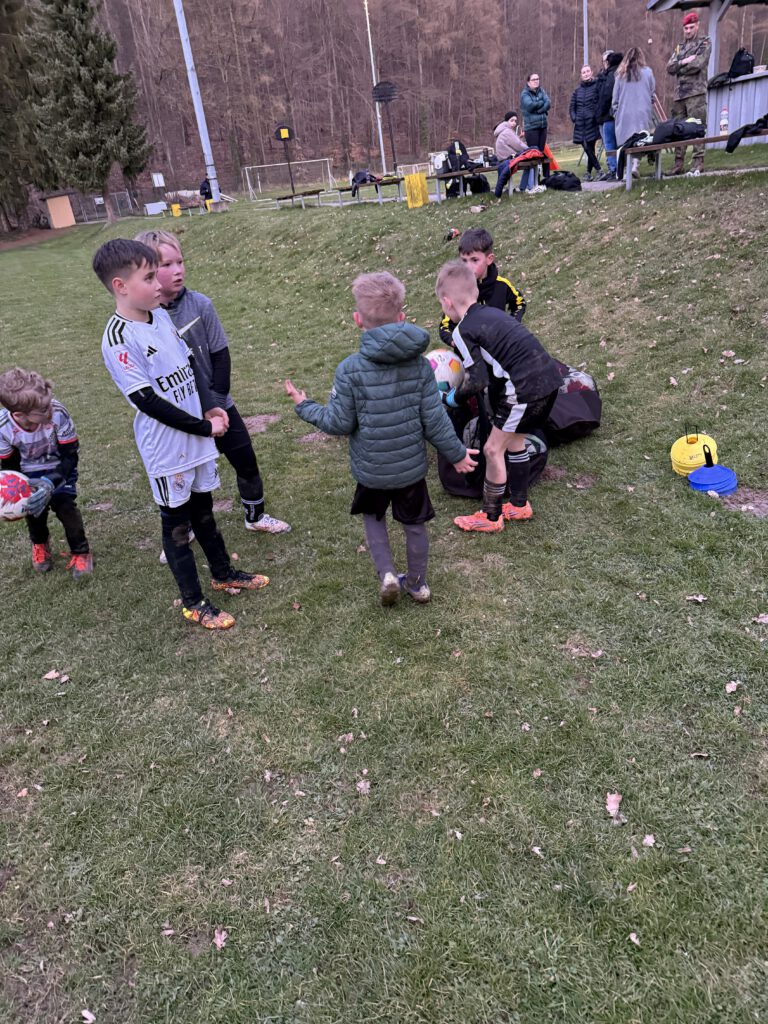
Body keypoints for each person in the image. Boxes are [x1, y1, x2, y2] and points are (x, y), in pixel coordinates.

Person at [93, 238, 270, 630]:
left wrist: (210, 406)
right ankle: (193, 602)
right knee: (176, 526)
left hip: (196, 438)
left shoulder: (159, 316)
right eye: (149, 277)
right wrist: (205, 427)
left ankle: (223, 573)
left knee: (204, 510)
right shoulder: (119, 339)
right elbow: (147, 401)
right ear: (121, 286)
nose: (159, 284)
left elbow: (189, 365)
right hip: (167, 450)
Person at [284, 271, 477, 607]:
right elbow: (435, 420)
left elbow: (338, 423)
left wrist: (305, 406)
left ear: (357, 319)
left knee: (374, 519)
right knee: (415, 524)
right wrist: (457, 453)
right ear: (401, 317)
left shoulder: (349, 370)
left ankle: (387, 574)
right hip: (410, 471)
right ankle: (417, 584)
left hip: (371, 471)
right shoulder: (420, 367)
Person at [135, 230, 290, 547]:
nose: (178, 270)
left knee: (245, 460)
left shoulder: (201, 305)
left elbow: (221, 355)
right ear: (145, 271)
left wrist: (216, 405)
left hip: (218, 405)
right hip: (179, 416)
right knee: (185, 477)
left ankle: (255, 517)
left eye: (180, 262)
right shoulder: (144, 322)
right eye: (167, 264)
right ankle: (187, 528)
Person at [435, 260, 562, 533]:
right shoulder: (492, 313)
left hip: (524, 390)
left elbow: (477, 379)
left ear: (447, 302)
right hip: (550, 380)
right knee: (515, 442)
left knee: (493, 449)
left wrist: (452, 399)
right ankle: (519, 504)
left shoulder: (462, 330)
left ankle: (491, 517)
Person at [0, 367, 92, 578]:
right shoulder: (3, 428)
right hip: (27, 473)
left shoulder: (58, 412)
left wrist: (52, 481)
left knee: (66, 507)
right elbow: (10, 467)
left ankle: (81, 551)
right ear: (19, 414)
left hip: (59, 467)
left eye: (48, 402)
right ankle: (40, 544)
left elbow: (70, 455)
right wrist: (13, 496)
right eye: (42, 410)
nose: (49, 409)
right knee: (34, 511)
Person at [438, 227, 525, 345]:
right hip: (474, 352)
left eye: (474, 260)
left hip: (500, 347)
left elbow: (519, 303)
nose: (468, 267)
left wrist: (512, 326)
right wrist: (457, 343)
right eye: (464, 261)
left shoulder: (501, 285)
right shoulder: (459, 290)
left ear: (489, 259)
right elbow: (445, 326)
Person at [666, 11, 711, 176]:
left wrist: (680, 66)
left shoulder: (704, 43)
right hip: (680, 95)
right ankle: (678, 164)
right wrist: (685, 61)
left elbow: (698, 64)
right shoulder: (680, 47)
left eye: (691, 27)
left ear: (697, 26)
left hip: (696, 93)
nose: (688, 31)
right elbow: (669, 67)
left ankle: (698, 162)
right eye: (686, 28)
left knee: (697, 127)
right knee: (678, 129)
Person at [612, 48, 656, 179]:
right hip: (642, 113)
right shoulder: (648, 73)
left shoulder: (620, 75)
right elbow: (652, 93)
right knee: (641, 140)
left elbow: (615, 98)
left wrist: (616, 112)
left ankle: (628, 169)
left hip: (624, 115)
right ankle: (636, 164)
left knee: (626, 142)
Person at [570, 65, 603, 180]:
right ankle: (598, 170)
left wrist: (595, 116)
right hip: (580, 124)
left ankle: (590, 173)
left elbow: (599, 102)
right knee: (586, 147)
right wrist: (574, 118)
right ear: (581, 75)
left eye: (588, 71)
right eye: (584, 72)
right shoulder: (577, 90)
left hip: (592, 123)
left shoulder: (597, 86)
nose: (586, 73)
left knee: (590, 147)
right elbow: (572, 107)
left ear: (591, 72)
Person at [595, 50, 623, 179]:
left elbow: (606, 96)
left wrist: (599, 112)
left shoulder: (611, 75)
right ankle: (617, 169)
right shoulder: (618, 74)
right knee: (614, 143)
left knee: (610, 143)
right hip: (614, 114)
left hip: (609, 115)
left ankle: (614, 170)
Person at [520, 72, 551, 187]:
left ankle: (540, 180)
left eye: (537, 79)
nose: (536, 81)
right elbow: (529, 106)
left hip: (543, 127)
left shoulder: (542, 90)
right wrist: (541, 103)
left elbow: (548, 103)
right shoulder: (524, 94)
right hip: (531, 129)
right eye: (533, 79)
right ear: (528, 82)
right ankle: (531, 182)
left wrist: (539, 108)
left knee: (541, 153)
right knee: (533, 155)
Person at [492, 111, 527, 198]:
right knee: (531, 160)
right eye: (511, 120)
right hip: (508, 158)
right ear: (506, 121)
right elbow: (518, 145)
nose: (514, 123)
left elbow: (513, 143)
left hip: (502, 159)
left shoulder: (502, 130)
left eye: (515, 121)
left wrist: (519, 137)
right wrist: (530, 149)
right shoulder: (507, 131)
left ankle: (524, 186)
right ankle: (528, 187)